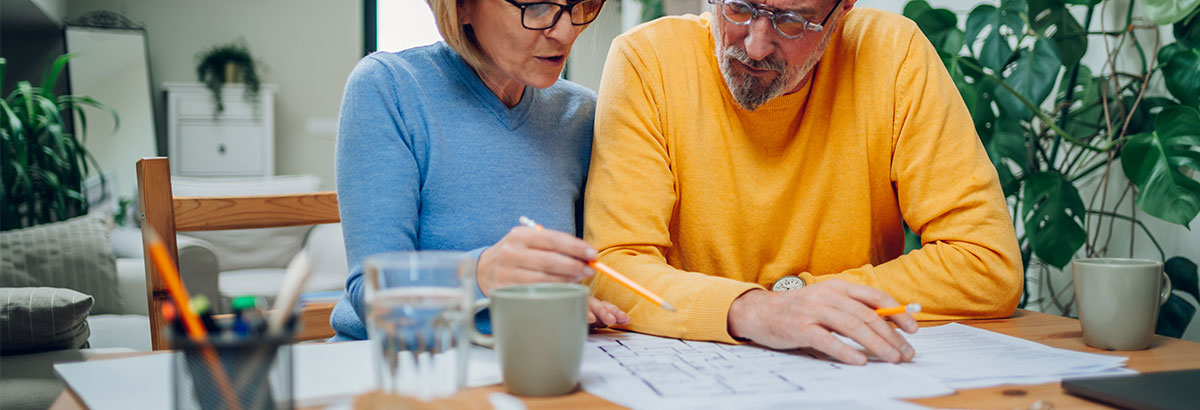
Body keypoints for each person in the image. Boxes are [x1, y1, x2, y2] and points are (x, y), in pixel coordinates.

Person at [584, 0, 1022, 365]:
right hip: (686, 373)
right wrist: (755, 311)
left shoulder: (893, 54)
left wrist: (802, 300)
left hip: (848, 371)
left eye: (792, 21)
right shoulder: (647, 61)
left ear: (843, 9)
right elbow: (613, 268)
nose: (755, 47)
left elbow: (986, 263)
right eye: (737, 8)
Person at [330, 0, 629, 340]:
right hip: (402, 363)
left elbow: (582, 273)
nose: (565, 31)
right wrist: (481, 276)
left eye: (580, 4)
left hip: (528, 354)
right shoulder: (389, 87)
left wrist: (580, 300)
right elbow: (372, 294)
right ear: (461, 8)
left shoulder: (581, 114)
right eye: (536, 6)